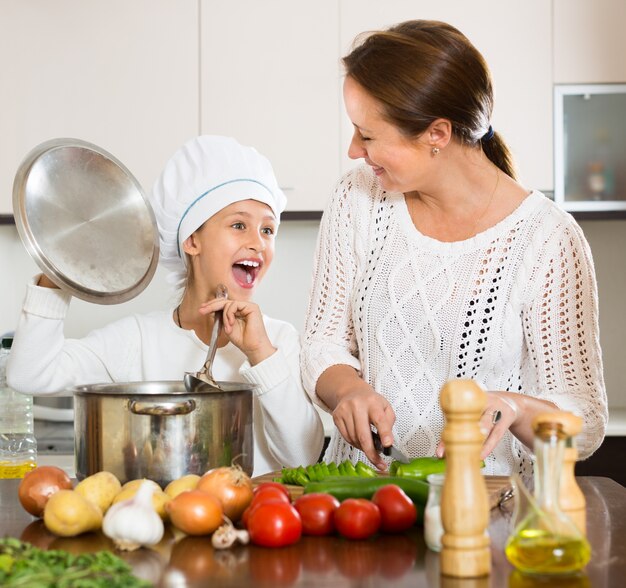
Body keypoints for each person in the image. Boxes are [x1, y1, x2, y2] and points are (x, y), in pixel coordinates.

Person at [300, 20, 608, 476]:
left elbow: (584, 423)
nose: (353, 150)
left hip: (489, 510)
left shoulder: (547, 239)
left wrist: (514, 408)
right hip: (366, 499)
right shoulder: (359, 199)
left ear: (437, 134)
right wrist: (348, 391)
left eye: (367, 135)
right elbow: (322, 341)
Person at [7, 135, 324, 477]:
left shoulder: (278, 341)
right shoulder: (137, 340)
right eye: (238, 225)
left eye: (268, 229)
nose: (258, 243)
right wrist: (61, 267)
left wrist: (261, 354)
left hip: (257, 524)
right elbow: (30, 374)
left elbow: (304, 456)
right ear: (191, 239)